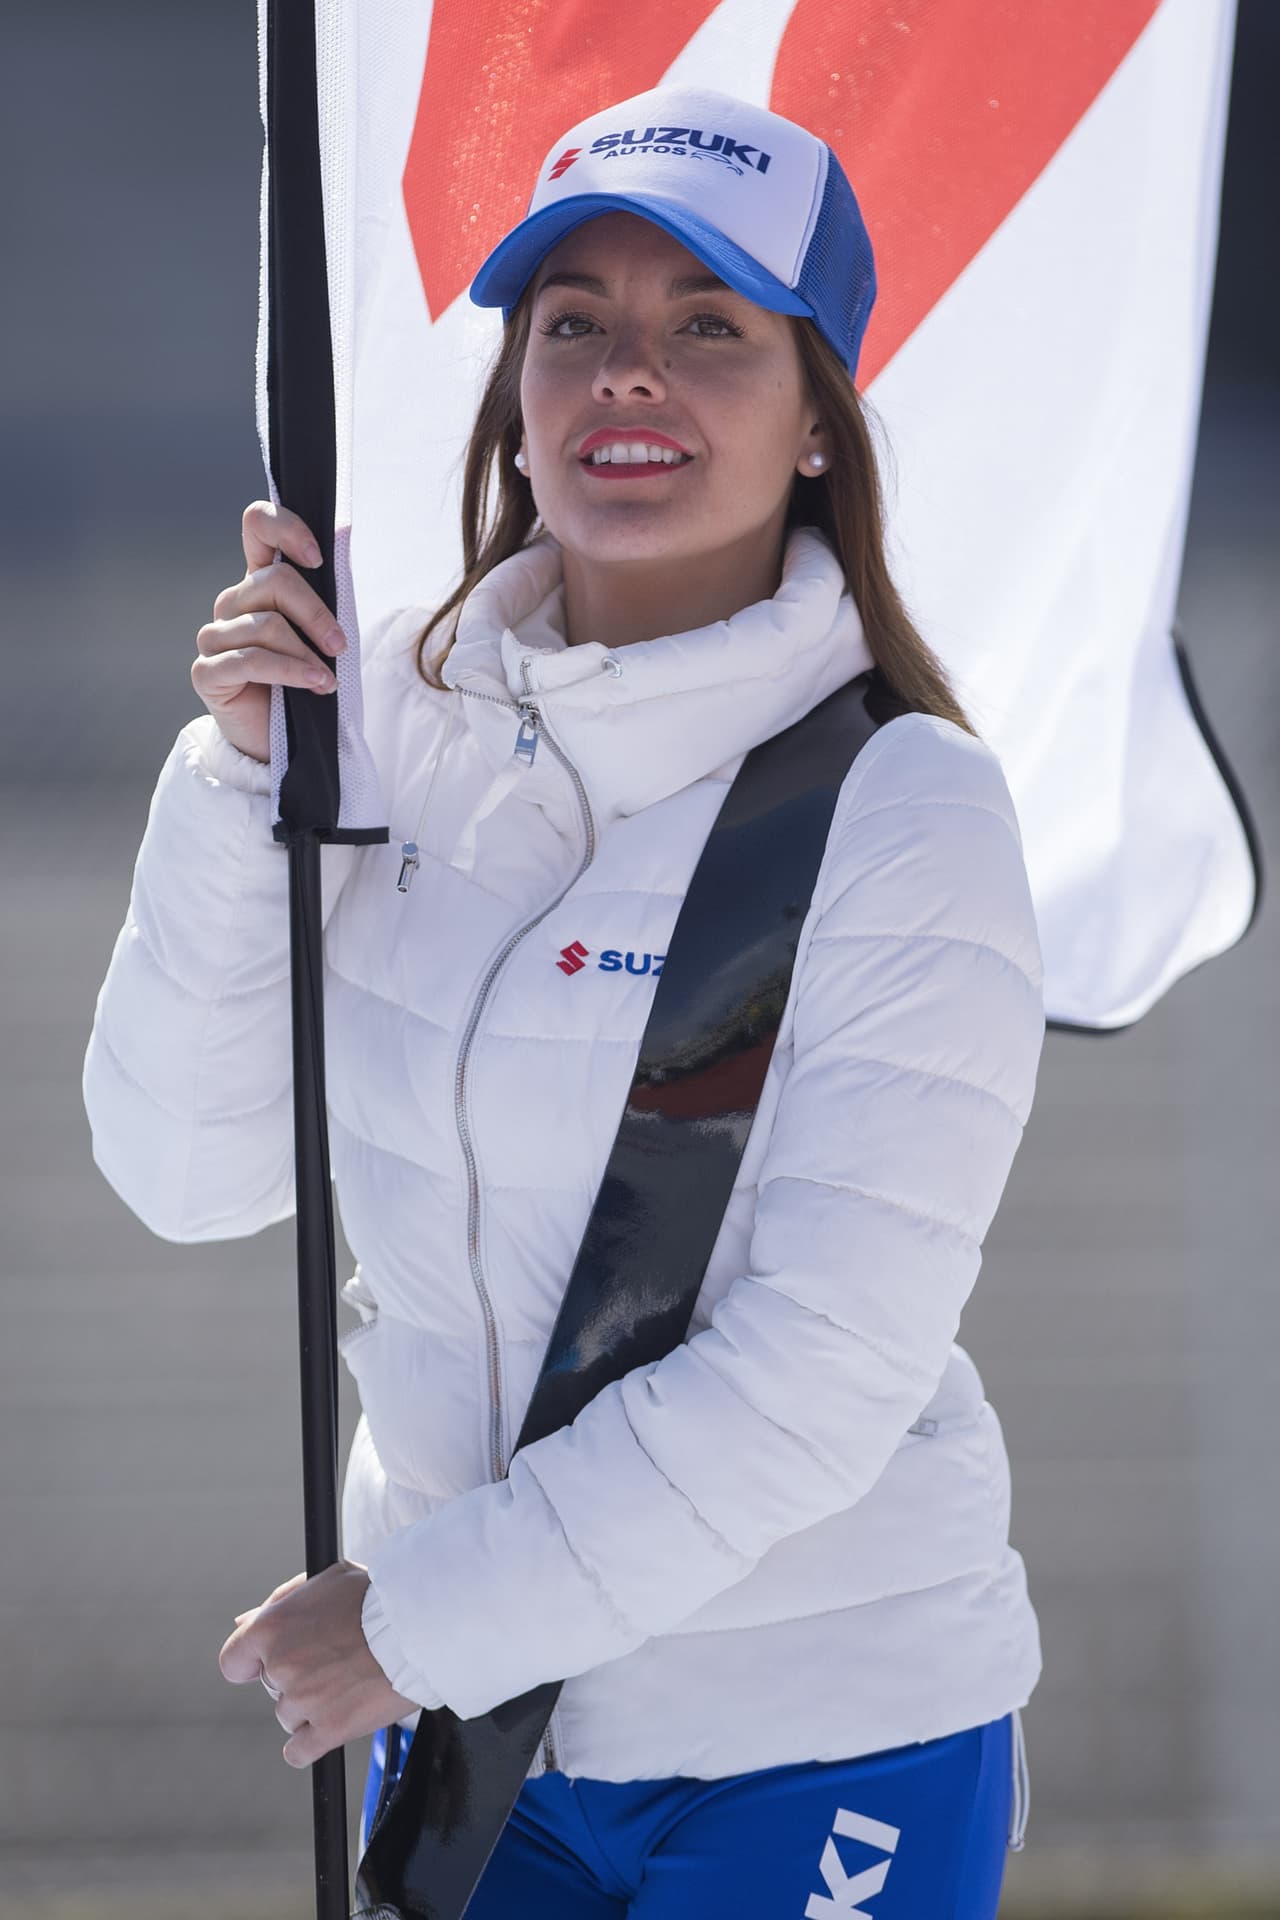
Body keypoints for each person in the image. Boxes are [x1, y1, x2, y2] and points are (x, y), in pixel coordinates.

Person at [84, 85, 1043, 1919]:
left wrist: (417, 1622)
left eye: (711, 328)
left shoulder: (906, 806)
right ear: (516, 396)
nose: (628, 372)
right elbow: (187, 1174)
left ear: (820, 421)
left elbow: (824, 1364)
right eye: (573, 322)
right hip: (472, 1745)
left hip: (821, 1735)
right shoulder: (391, 725)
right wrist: (236, 780)